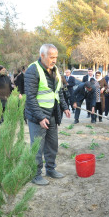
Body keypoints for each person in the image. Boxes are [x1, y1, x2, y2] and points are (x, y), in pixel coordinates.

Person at [25, 44, 70, 186]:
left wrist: (64, 107)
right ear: (42, 56)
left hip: (51, 114)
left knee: (52, 144)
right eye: (51, 57)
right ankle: (36, 174)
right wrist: (40, 117)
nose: (54, 60)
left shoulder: (55, 70)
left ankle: (50, 169)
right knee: (37, 146)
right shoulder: (33, 70)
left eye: (56, 57)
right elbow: (30, 97)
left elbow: (59, 91)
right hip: (37, 116)